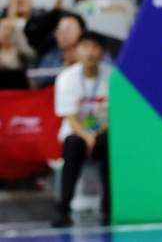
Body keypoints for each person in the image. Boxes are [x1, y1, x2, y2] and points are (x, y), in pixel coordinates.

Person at [52, 31, 112, 227]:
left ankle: (108, 208)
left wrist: (98, 132)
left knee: (110, 147)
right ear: (77, 50)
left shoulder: (113, 77)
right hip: (76, 131)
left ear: (102, 52)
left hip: (103, 131)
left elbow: (117, 114)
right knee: (72, 146)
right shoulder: (66, 78)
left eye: (95, 47)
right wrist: (87, 135)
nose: (90, 52)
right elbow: (70, 116)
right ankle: (63, 210)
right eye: (85, 47)